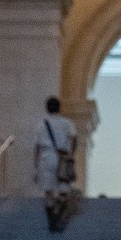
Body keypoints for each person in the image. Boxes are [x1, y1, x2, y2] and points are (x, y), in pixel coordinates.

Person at [33, 96, 77, 232]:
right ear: (59, 108)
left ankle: (51, 220)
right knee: (63, 189)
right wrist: (71, 154)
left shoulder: (41, 124)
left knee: (48, 191)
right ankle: (59, 213)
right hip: (62, 157)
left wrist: (35, 167)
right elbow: (74, 138)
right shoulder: (67, 123)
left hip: (46, 158)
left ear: (47, 108)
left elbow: (37, 147)